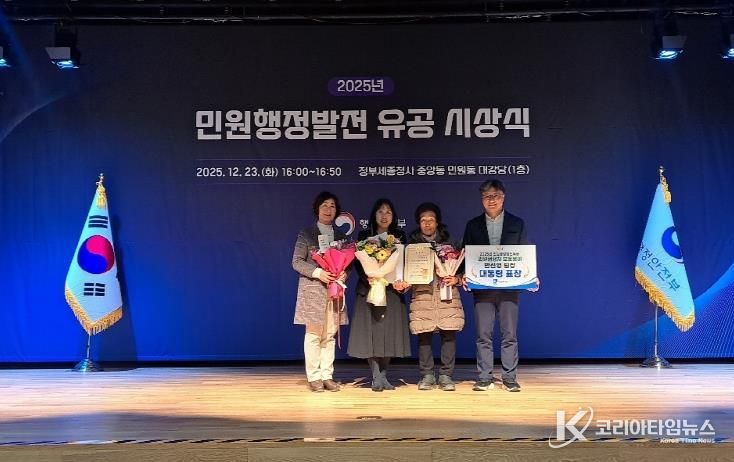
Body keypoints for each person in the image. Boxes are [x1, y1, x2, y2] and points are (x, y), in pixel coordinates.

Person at [462, 179, 536, 393]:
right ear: (481, 200)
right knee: (483, 335)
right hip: (482, 287)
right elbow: (466, 254)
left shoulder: (517, 223)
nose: (491, 200)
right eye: (486, 196)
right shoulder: (473, 225)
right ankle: (485, 378)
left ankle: (509, 378)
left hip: (509, 288)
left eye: (495, 196)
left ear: (503, 197)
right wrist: (464, 275)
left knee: (509, 334)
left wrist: (531, 275)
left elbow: (523, 253)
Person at [347, 198, 411, 392]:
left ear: (393, 217)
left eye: (388, 212)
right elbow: (358, 263)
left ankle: (383, 375)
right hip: (369, 288)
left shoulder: (399, 236)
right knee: (371, 333)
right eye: (381, 211)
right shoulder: (364, 235)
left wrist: (401, 281)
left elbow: (403, 262)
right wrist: (370, 277)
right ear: (374, 215)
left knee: (388, 333)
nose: (384, 215)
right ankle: (376, 375)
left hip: (391, 290)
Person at [292, 191, 349, 393]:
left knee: (330, 334)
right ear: (317, 209)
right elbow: (297, 262)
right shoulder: (306, 234)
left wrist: (344, 274)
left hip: (335, 291)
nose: (328, 209)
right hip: (313, 291)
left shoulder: (341, 237)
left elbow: (347, 263)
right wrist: (318, 273)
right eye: (324, 205)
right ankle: (314, 377)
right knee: (314, 334)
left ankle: (327, 375)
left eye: (332, 205)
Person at [407, 202, 464, 391]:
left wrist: (456, 279)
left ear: (437, 222)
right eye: (423, 220)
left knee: (449, 334)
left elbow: (463, 271)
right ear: (419, 223)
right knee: (424, 335)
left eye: (431, 220)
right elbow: (406, 272)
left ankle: (446, 375)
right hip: (422, 296)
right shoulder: (412, 245)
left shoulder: (451, 243)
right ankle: (427, 375)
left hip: (447, 295)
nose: (427, 223)